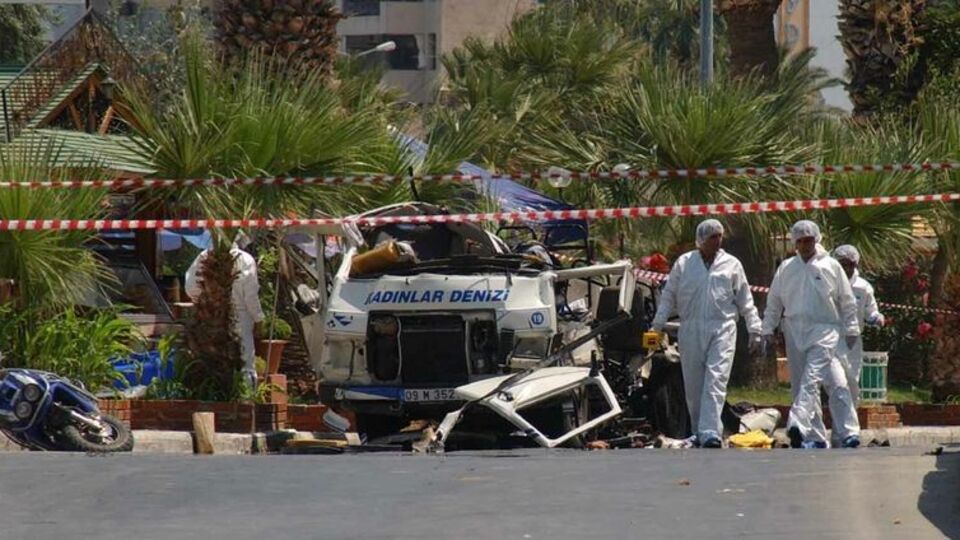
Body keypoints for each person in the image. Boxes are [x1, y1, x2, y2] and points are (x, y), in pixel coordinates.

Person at [651, 219, 763, 448]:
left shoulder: (731, 264)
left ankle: (711, 431)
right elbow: (669, 295)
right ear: (701, 239)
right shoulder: (685, 263)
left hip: (722, 328)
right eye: (712, 237)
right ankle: (698, 432)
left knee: (716, 379)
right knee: (694, 385)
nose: (717, 240)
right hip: (690, 329)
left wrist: (755, 329)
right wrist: (657, 325)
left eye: (719, 236)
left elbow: (745, 299)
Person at [761, 221, 861, 448]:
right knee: (806, 383)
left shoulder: (831, 266)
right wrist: (767, 328)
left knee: (814, 378)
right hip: (794, 330)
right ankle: (815, 437)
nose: (805, 245)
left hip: (825, 330)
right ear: (794, 243)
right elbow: (774, 302)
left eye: (809, 240)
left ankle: (800, 423)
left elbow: (846, 300)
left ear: (816, 240)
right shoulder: (786, 268)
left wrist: (852, 328)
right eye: (800, 241)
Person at [185, 242, 265, 389]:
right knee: (245, 364)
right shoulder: (245, 259)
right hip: (241, 317)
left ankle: (213, 394)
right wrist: (259, 319)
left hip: (209, 319)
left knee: (210, 361)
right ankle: (245, 397)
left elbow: (190, 287)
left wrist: (206, 303)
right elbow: (251, 297)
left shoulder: (204, 256)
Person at [831, 245, 885, 406]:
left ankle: (851, 413)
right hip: (830, 337)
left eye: (850, 264)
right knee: (835, 380)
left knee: (852, 379)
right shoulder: (828, 283)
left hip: (852, 341)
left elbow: (870, 310)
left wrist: (876, 318)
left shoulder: (863, 287)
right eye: (842, 264)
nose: (846, 268)